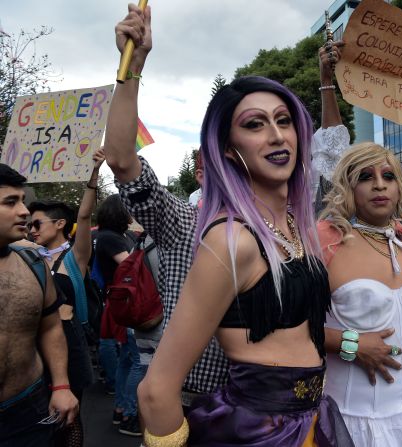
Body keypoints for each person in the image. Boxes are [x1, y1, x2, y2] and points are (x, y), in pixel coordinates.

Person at [135, 47, 353, 447]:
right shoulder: (231, 240)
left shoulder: (296, 227)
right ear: (229, 149)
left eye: (284, 121)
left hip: (310, 421)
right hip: (257, 432)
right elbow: (155, 390)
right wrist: (129, 76)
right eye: (255, 124)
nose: (276, 135)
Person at [104, 4, 227, 408]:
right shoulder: (184, 223)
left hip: (267, 414)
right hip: (193, 402)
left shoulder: (280, 229)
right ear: (199, 172)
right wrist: (132, 68)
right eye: (215, 163)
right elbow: (122, 160)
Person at [318, 143, 402, 446]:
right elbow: (288, 327)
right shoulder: (326, 242)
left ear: (398, 187)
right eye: (366, 176)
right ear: (348, 186)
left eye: (388, 176)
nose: (379, 184)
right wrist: (350, 343)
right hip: (348, 423)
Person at [27, 149, 103, 447]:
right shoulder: (28, 256)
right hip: (33, 348)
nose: (31, 230)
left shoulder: (75, 257)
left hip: (69, 347)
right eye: (29, 224)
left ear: (59, 225)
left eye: (37, 224)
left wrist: (95, 173)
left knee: (68, 420)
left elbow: (84, 216)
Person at [0, 164, 79, 447]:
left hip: (27, 408)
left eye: (22, 200)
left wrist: (61, 385)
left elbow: (50, 327)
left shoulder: (33, 265)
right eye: (11, 202)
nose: (24, 211)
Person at [94, 194, 144, 436]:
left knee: (127, 357)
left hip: (127, 302)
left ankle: (121, 409)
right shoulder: (108, 238)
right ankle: (130, 414)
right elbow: (131, 265)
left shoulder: (125, 236)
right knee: (137, 360)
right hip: (124, 304)